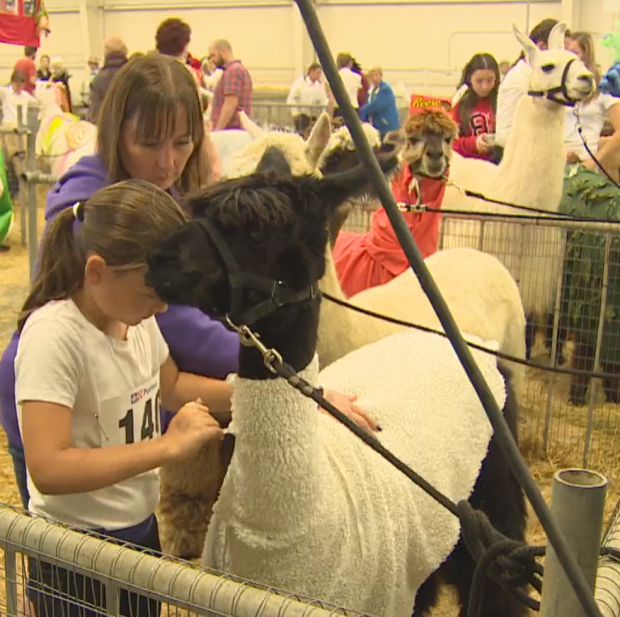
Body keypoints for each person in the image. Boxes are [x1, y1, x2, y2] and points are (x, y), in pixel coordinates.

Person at [0, 51, 377, 511]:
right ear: (117, 132)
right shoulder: (100, 217)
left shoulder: (167, 203)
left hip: (125, 418)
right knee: (75, 536)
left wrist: (277, 390)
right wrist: (282, 374)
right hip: (62, 412)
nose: (167, 162)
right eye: (150, 143)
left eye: (182, 143)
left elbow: (170, 375)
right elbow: (179, 319)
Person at [17, 179, 227, 617]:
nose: (164, 308)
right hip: (75, 551)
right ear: (96, 272)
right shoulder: (54, 335)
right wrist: (166, 448)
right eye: (152, 292)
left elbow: (169, 385)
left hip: (138, 532)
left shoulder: (135, 319)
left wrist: (255, 396)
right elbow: (48, 466)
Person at [495, 18, 565, 155]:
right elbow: (505, 135)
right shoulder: (518, 79)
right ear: (542, 46)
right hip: (511, 157)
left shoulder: (542, 79)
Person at [564, 31, 620, 180]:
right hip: (559, 162)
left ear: (587, 55)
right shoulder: (564, 88)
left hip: (585, 165)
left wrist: (594, 161)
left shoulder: (604, 87)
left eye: (575, 52)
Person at [449, 53, 500, 160]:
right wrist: (473, 143)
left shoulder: (502, 101)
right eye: (479, 81)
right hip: (468, 165)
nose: (485, 86)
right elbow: (450, 143)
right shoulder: (458, 103)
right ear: (469, 78)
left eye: (490, 80)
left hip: (497, 164)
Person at [208, 39, 253, 130]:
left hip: (231, 130)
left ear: (223, 52)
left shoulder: (233, 71)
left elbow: (230, 104)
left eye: (213, 55)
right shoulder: (238, 69)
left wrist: (218, 131)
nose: (212, 60)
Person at [87, 36, 129, 124]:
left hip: (107, 133)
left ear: (105, 54)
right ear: (125, 51)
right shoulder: (136, 75)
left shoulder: (98, 79)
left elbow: (94, 116)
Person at [286, 62, 329, 134]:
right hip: (302, 116)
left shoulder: (320, 85)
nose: (319, 75)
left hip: (316, 116)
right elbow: (292, 98)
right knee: (302, 134)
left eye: (320, 73)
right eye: (318, 72)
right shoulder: (299, 84)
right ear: (311, 71)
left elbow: (324, 100)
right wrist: (295, 114)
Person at [359, 67, 400, 138]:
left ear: (381, 76)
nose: (375, 77)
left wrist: (362, 111)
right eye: (372, 75)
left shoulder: (385, 89)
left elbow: (376, 105)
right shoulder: (370, 91)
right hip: (376, 125)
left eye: (377, 75)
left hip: (386, 125)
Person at [333, 53, 361, 118]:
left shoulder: (335, 76)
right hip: (353, 106)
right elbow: (358, 93)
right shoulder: (357, 77)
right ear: (350, 63)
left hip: (339, 107)